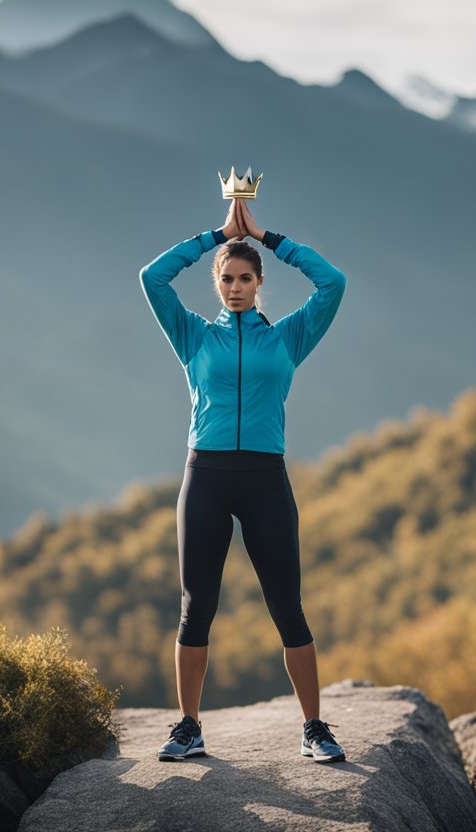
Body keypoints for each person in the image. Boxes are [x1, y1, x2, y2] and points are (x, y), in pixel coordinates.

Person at [139, 196, 348, 763]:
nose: (234, 286)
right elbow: (152, 277)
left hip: (264, 479)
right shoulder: (193, 338)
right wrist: (215, 234)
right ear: (217, 283)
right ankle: (188, 727)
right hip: (204, 475)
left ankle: (314, 729)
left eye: (245, 278)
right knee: (195, 607)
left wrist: (268, 236)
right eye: (226, 279)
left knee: (288, 606)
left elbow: (333, 283)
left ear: (260, 282)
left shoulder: (287, 337)